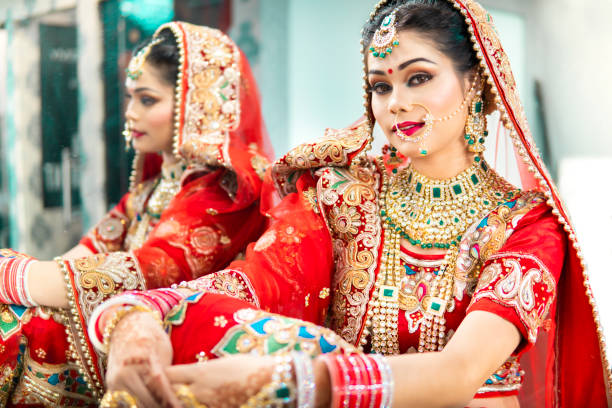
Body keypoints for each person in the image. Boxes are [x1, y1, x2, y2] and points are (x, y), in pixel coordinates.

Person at [97, 1, 610, 407]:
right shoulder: (342, 194)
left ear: (476, 81)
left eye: (418, 77)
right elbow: (248, 285)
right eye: (380, 86)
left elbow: (459, 374)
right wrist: (140, 316)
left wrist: (285, 384)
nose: (396, 103)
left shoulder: (526, 224)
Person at [0, 22, 273, 407]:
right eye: (130, 98)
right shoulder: (151, 188)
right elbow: (90, 249)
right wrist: (22, 280)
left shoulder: (227, 191)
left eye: (147, 100)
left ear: (196, 105)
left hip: (156, 342)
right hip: (109, 327)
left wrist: (17, 276)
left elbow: (148, 272)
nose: (130, 114)